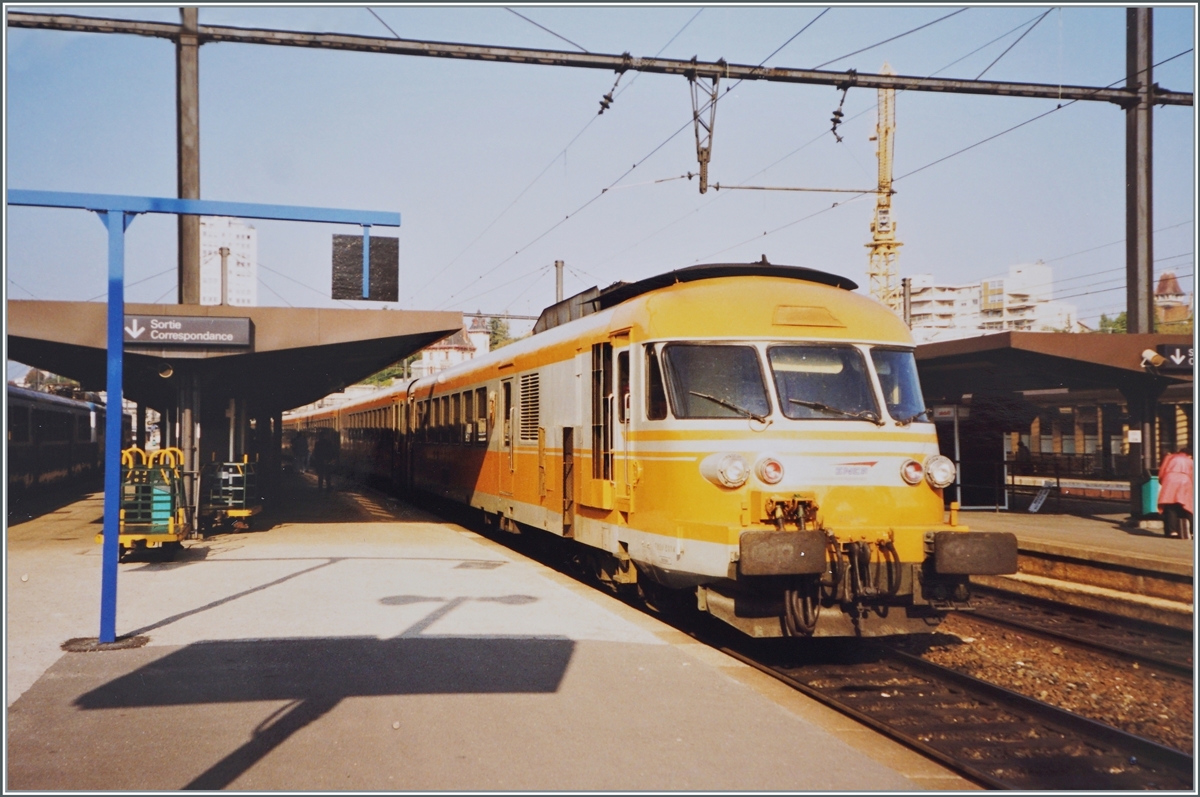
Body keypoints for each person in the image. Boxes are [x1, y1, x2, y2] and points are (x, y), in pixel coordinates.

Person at [1158, 444, 1193, 539]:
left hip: (1170, 480)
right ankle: (1193, 531)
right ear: (1189, 455)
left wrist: (1162, 481)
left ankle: (1172, 532)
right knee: (1187, 507)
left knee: (1170, 506)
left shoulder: (1170, 458)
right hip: (1185, 481)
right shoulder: (1190, 461)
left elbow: (1162, 472)